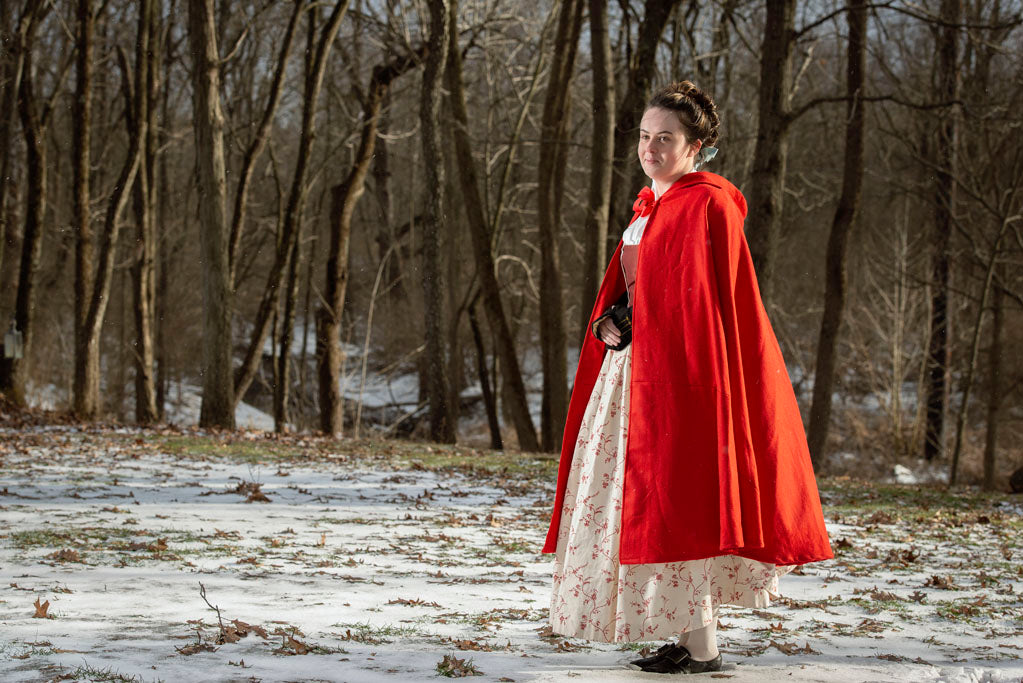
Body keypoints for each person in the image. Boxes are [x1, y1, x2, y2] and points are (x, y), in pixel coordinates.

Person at [542, 81, 833, 675]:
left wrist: (651, 322)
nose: (650, 148)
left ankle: (703, 651)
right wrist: (616, 318)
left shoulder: (708, 204)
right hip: (634, 376)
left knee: (679, 502)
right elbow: (651, 288)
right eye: (645, 137)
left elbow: (709, 305)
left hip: (681, 383)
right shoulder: (654, 202)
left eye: (665, 139)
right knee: (645, 505)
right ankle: (686, 637)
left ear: (696, 145)